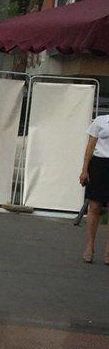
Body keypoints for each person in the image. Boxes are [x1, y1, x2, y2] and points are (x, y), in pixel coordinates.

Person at [78, 107, 109, 263]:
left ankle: (108, 250)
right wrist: (84, 169)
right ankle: (90, 246)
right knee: (94, 206)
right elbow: (90, 146)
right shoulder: (100, 121)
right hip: (99, 165)